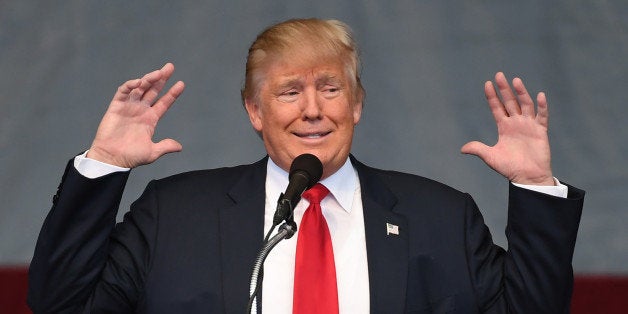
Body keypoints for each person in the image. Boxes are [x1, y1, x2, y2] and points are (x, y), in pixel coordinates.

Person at [28, 18, 584, 313]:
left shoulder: (441, 217)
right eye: (289, 91)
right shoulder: (173, 215)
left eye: (330, 87)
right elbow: (62, 304)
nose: (313, 109)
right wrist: (104, 165)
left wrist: (534, 185)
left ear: (358, 103)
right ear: (254, 110)